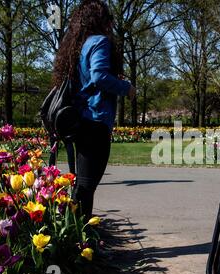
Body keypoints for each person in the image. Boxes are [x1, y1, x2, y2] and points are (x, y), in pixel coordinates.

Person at [52, 0, 136, 220]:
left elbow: (91, 77)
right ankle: (80, 241)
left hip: (82, 119)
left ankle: (79, 238)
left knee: (83, 184)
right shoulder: (99, 41)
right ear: (101, 21)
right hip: (96, 119)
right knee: (86, 186)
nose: (111, 25)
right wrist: (126, 88)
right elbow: (99, 76)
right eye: (109, 20)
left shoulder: (79, 46)